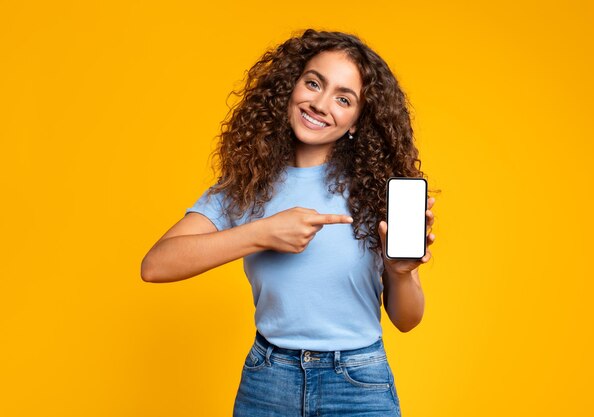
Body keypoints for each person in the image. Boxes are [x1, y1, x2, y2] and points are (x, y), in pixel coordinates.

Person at [141, 29, 437, 417]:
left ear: (356, 122)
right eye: (313, 83)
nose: (320, 103)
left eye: (343, 98)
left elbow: (407, 320)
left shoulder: (375, 192)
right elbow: (156, 265)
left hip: (357, 383)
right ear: (289, 88)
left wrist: (400, 273)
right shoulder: (248, 185)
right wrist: (261, 232)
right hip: (268, 379)